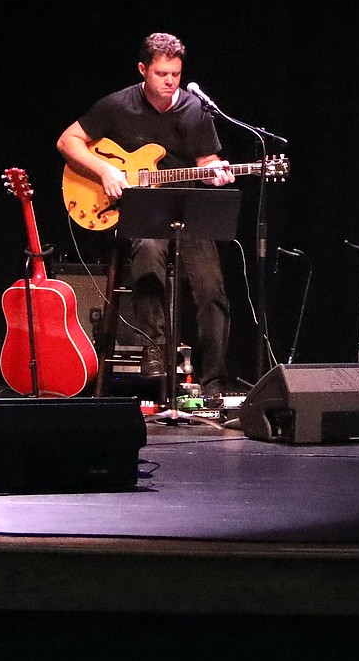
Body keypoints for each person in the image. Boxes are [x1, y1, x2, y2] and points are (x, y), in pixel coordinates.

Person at [57, 32, 236, 394]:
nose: (170, 82)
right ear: (143, 70)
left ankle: (213, 380)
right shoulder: (117, 105)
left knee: (211, 290)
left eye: (175, 74)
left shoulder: (195, 110)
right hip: (142, 212)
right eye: (161, 74)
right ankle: (154, 351)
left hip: (188, 210)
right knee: (149, 253)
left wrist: (216, 174)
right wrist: (105, 170)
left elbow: (207, 161)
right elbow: (67, 141)